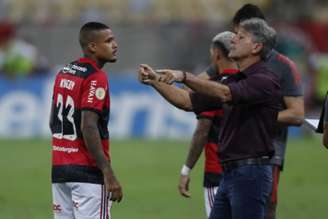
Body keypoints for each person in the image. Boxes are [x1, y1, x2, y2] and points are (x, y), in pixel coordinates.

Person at [139, 18, 280, 219]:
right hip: (230, 174)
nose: (233, 41)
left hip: (251, 173)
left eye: (240, 37)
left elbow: (225, 94)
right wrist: (154, 81)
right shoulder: (235, 80)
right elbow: (187, 101)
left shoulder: (264, 80)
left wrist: (184, 76)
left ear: (256, 47)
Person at [232, 4, 304, 219]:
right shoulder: (233, 60)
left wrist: (258, 119)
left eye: (239, 35)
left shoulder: (282, 66)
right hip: (230, 146)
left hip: (268, 149)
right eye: (234, 33)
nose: (233, 39)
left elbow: (297, 114)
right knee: (229, 202)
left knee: (266, 204)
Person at [49, 22, 123, 219]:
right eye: (108, 41)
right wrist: (107, 171)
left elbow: (52, 122)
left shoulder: (63, 71)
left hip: (60, 170)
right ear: (92, 46)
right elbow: (88, 126)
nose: (115, 45)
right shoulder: (96, 77)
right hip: (87, 173)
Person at [177, 32, 239, 218]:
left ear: (216, 54)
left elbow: (202, 131)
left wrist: (186, 169)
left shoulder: (213, 88)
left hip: (217, 170)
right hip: (250, 171)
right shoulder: (252, 82)